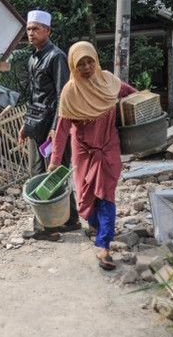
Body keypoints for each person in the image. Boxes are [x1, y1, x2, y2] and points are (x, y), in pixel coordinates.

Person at [48, 41, 137, 270]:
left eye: (90, 61)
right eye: (81, 64)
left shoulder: (108, 80)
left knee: (106, 194)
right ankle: (96, 226)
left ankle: (103, 245)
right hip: (83, 151)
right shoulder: (70, 92)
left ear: (96, 60)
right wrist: (55, 161)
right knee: (85, 199)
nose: (87, 67)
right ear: (73, 66)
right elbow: (62, 131)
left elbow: (131, 94)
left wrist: (149, 104)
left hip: (108, 148)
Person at [17, 9, 80, 241]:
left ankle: (47, 228)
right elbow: (33, 95)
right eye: (28, 29)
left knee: (51, 174)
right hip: (36, 124)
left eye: (35, 29)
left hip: (52, 127)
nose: (31, 33)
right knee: (40, 172)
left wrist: (57, 128)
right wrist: (25, 125)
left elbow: (63, 95)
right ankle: (69, 220)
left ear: (48, 31)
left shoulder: (56, 57)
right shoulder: (33, 57)